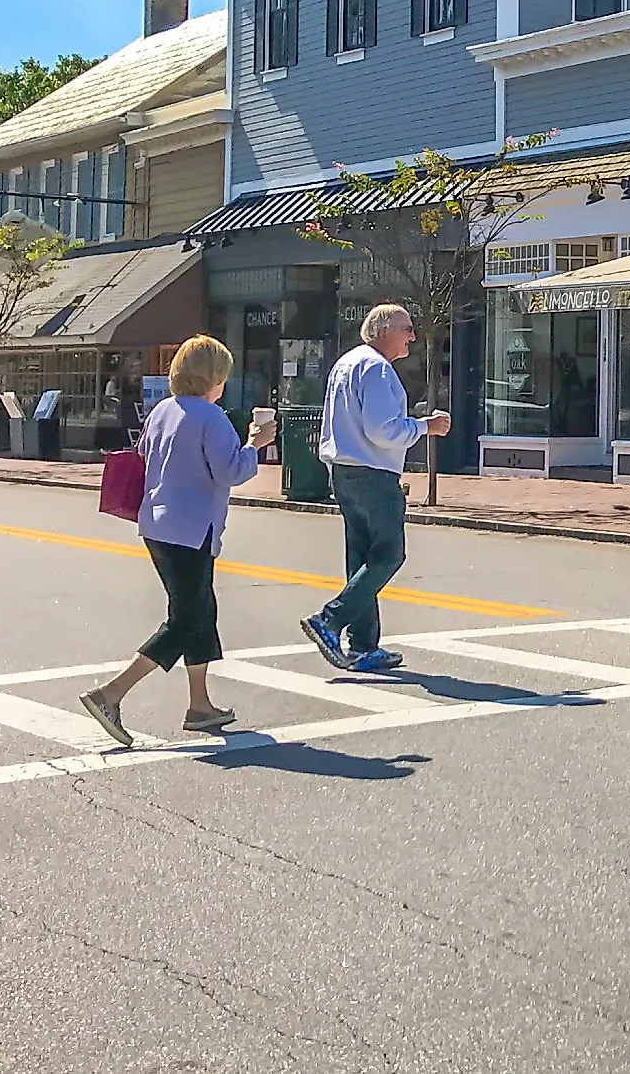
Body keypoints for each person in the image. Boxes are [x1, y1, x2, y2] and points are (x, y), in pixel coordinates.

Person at [79, 335, 276, 747]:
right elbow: (231, 472)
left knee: (200, 612)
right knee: (185, 620)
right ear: (214, 377)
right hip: (192, 529)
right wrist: (255, 444)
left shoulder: (162, 411)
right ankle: (110, 694)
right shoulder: (212, 417)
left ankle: (199, 705)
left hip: (157, 524)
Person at [301, 305, 452, 674]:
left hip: (343, 470)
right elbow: (383, 430)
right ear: (384, 331)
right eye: (406, 329)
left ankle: (363, 646)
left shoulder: (347, 363)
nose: (412, 337)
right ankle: (330, 620)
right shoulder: (377, 369)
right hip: (373, 472)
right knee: (388, 555)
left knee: (361, 558)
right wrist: (425, 427)